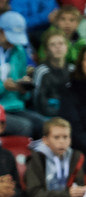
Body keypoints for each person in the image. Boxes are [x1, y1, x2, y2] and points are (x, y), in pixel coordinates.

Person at [0, 12, 48, 140]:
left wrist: (22, 88)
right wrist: (4, 86)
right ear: (1, 32)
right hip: (1, 108)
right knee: (24, 126)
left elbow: (23, 93)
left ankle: (37, 160)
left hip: (14, 106)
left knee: (44, 125)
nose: (13, 43)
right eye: (10, 37)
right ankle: (16, 159)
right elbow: (5, 86)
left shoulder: (19, 51)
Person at [31, 29, 73, 118]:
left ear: (67, 47)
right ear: (46, 50)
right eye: (52, 44)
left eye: (61, 43)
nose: (58, 47)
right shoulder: (41, 71)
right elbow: (38, 102)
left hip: (69, 114)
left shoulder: (73, 70)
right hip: (47, 115)